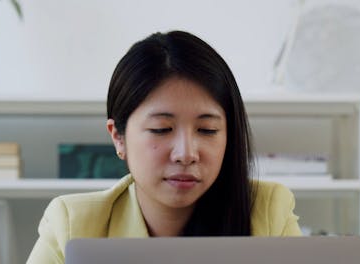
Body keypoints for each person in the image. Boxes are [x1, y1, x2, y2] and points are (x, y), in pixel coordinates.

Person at [27, 30, 301, 263]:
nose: (186, 154)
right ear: (118, 137)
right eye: (161, 129)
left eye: (207, 130)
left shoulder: (268, 211)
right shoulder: (73, 224)